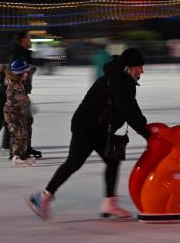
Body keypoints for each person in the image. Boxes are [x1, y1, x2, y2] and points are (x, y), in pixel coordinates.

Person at [27, 48, 151, 220]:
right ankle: (42, 197)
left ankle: (110, 203)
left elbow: (131, 106)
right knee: (74, 162)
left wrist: (144, 126)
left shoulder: (124, 80)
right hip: (86, 127)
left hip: (100, 129)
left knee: (113, 161)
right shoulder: (118, 81)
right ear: (129, 67)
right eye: (139, 67)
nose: (142, 71)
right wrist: (147, 134)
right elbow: (127, 110)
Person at [9, 31, 41, 158]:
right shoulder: (18, 53)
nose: (31, 40)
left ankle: (25, 148)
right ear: (23, 40)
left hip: (22, 91)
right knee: (20, 122)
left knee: (26, 121)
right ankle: (17, 152)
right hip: (17, 93)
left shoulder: (24, 53)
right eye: (29, 38)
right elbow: (12, 72)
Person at [4, 59, 36, 167]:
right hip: (12, 114)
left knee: (24, 134)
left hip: (18, 112)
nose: (27, 74)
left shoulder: (18, 83)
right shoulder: (14, 86)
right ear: (20, 73)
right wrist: (26, 101)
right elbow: (18, 98)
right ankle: (16, 156)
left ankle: (21, 155)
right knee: (19, 134)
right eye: (25, 72)